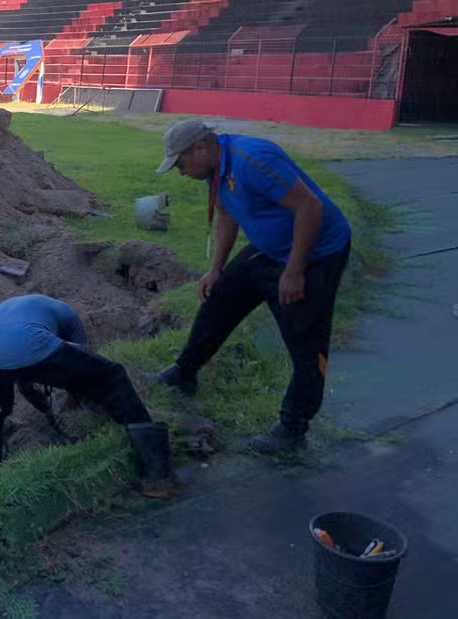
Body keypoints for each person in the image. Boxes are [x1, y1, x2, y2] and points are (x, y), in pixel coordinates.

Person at [151, 120, 352, 454]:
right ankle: (184, 373)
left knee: (307, 341)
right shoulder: (215, 169)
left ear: (200, 148)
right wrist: (215, 269)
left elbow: (310, 207)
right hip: (269, 248)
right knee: (219, 298)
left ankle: (292, 430)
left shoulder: (252, 160)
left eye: (181, 163)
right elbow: (228, 213)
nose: (180, 171)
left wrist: (294, 271)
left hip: (316, 253)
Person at [0, 294, 181, 497]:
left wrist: (46, 407)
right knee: (112, 375)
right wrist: (78, 396)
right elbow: (82, 369)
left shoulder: (20, 309)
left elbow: (23, 376)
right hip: (25, 342)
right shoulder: (69, 316)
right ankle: (156, 475)